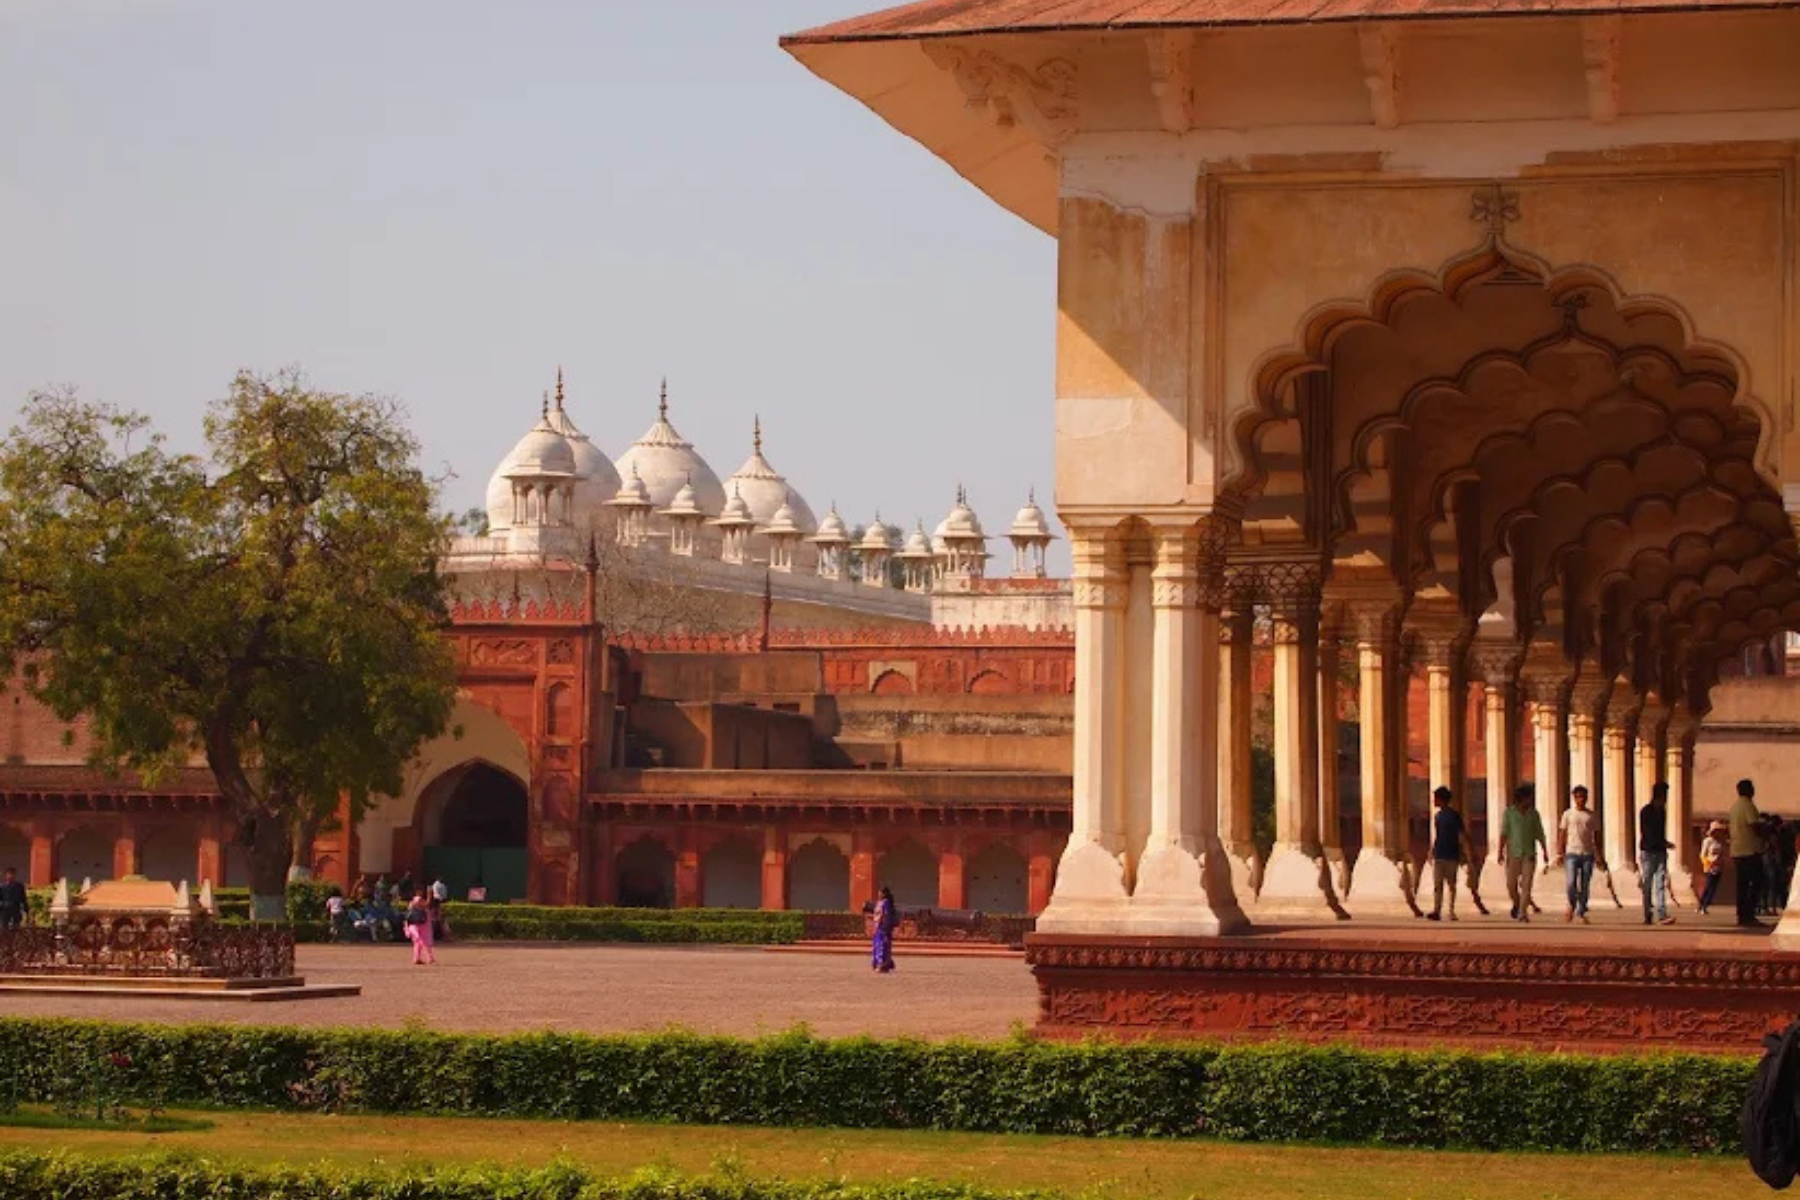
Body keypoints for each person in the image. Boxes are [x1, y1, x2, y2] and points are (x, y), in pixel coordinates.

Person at [1499, 784, 1549, 922]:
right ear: (1522, 798)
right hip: (1513, 853)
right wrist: (1500, 851)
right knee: (1511, 885)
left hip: (1529, 854)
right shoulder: (1509, 813)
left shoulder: (1533, 814)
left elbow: (1540, 833)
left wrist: (1545, 851)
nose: (1530, 801)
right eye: (1528, 798)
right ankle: (1517, 903)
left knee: (1527, 885)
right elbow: (1504, 833)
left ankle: (1522, 913)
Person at [1426, 786, 1471, 922]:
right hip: (1440, 853)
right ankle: (1437, 910)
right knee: (1438, 884)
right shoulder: (1438, 816)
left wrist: (1465, 852)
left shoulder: (1453, 816)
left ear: (1441, 800)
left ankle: (1451, 910)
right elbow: (1438, 835)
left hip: (1451, 853)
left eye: (1436, 799)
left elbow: (1461, 834)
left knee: (1450, 884)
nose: (1434, 801)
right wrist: (1431, 851)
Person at [1557, 785, 1599, 924]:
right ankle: (1571, 903)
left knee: (1585, 884)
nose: (1581, 799)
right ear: (1574, 798)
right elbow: (1562, 833)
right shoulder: (1568, 814)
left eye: (1583, 797)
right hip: (1571, 852)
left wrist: (1599, 855)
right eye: (1578, 797)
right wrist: (1560, 852)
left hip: (1587, 853)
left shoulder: (1591, 815)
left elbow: (1596, 836)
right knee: (1571, 883)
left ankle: (1580, 911)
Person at [1639, 781, 1677, 925]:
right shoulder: (1646, 811)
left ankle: (1661, 914)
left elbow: (1660, 833)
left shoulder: (1661, 812)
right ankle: (1647, 913)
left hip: (1659, 851)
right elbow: (1648, 833)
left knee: (1660, 883)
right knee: (1648, 883)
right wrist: (1663, 843)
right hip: (1648, 851)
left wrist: (1664, 844)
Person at [1731, 778, 1766, 928]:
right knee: (1756, 883)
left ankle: (1742, 915)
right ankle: (1749, 914)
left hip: (1737, 850)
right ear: (1749, 790)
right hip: (1749, 849)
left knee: (1742, 885)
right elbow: (1754, 825)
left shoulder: (1735, 807)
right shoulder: (1748, 805)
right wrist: (1765, 831)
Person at [1700, 820, 1728, 915]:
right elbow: (1703, 855)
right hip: (1709, 866)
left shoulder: (1721, 842)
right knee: (1708, 886)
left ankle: (1706, 904)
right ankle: (1702, 905)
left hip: (1718, 866)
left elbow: (1723, 853)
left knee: (1714, 888)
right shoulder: (1707, 841)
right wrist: (1708, 864)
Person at [871, 885, 898, 973]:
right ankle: (882, 963)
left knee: (882, 947)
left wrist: (886, 928)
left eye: (881, 892)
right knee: (877, 946)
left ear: (884, 893)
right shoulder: (879, 902)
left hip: (883, 928)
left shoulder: (886, 903)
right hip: (877, 928)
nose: (879, 894)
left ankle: (882, 965)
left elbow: (887, 916)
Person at [404, 891, 436, 965]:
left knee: (417, 943)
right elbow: (426, 904)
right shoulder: (418, 902)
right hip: (420, 926)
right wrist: (429, 895)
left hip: (416, 926)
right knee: (423, 942)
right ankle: (429, 958)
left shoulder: (412, 904)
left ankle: (417, 958)